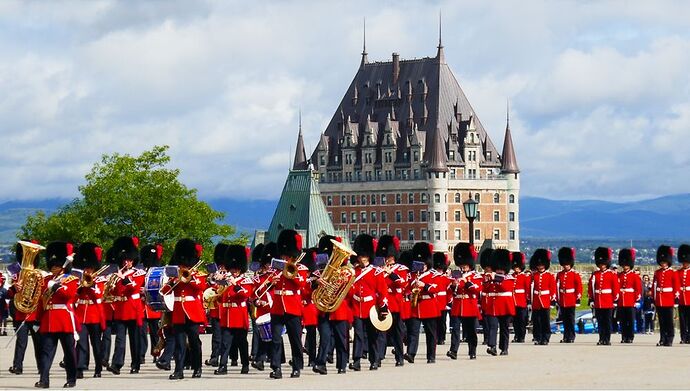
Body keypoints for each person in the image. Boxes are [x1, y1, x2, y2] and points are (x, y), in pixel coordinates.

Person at [36, 241, 79, 389]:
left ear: (62, 266)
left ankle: (71, 379)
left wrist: (56, 286)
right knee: (46, 353)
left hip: (65, 319)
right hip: (48, 320)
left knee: (69, 353)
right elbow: (42, 301)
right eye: (52, 266)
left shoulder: (71, 279)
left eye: (56, 265)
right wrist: (37, 320)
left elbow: (69, 295)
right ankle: (44, 380)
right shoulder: (46, 280)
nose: (53, 268)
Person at [163, 238, 207, 380]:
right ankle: (179, 370)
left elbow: (200, 287)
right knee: (179, 343)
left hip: (192, 312)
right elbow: (164, 291)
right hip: (178, 313)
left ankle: (197, 368)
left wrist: (190, 278)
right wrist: (171, 282)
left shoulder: (198, 274)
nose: (182, 266)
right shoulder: (174, 275)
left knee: (194, 341)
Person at [269, 229, 309, 379]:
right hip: (278, 307)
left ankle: (297, 366)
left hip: (293, 307)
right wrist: (273, 281)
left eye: (287, 255)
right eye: (283, 255)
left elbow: (301, 283)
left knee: (295, 339)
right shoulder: (276, 269)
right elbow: (272, 284)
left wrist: (291, 273)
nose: (284, 257)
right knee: (275, 339)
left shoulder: (301, 268)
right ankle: (276, 368)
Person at [312, 235, 351, 375]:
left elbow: (349, 291)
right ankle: (320, 363)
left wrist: (337, 284)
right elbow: (308, 285)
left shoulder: (344, 272)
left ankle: (342, 365)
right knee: (324, 337)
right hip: (324, 310)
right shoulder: (319, 273)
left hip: (338, 309)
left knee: (341, 339)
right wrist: (316, 282)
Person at [349, 234, 389, 370]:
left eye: (364, 256)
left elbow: (382, 291)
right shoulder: (354, 272)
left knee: (373, 336)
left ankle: (374, 360)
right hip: (357, 307)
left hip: (371, 308)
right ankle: (356, 360)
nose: (362, 258)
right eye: (360, 256)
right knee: (358, 335)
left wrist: (382, 306)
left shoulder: (376, 272)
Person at [107, 236, 144, 375]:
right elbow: (113, 291)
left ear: (133, 260)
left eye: (129, 260)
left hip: (133, 308)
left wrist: (125, 279)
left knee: (134, 340)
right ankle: (117, 364)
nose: (126, 262)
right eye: (124, 260)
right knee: (120, 339)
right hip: (120, 309)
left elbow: (134, 288)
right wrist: (113, 281)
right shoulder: (117, 275)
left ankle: (135, 364)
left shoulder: (138, 273)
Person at [215, 245, 253, 375]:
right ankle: (222, 366)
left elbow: (245, 295)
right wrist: (217, 282)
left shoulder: (245, 280)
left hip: (239, 316)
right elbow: (219, 296)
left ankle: (245, 364)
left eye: (237, 269)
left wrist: (235, 283)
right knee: (225, 343)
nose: (234, 271)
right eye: (232, 269)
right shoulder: (225, 281)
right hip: (227, 316)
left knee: (241, 342)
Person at [8, 241, 43, 376]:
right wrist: (15, 288)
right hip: (21, 312)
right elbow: (10, 294)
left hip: (35, 313)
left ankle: (42, 367)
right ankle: (17, 366)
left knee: (39, 342)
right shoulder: (16, 275)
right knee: (21, 342)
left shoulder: (41, 274)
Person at [74, 242, 105, 379]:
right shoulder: (78, 279)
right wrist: (79, 288)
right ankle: (80, 367)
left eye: (89, 269)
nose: (87, 271)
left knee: (96, 343)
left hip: (94, 314)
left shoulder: (100, 279)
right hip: (81, 313)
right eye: (85, 268)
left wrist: (92, 286)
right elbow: (73, 295)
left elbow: (100, 295)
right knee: (80, 341)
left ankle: (98, 367)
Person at [404, 243, 439, 364]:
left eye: (423, 264)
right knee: (413, 332)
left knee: (430, 333)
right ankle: (411, 353)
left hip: (428, 305)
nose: (422, 266)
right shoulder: (412, 275)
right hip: (415, 306)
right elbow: (406, 287)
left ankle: (431, 356)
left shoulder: (434, 274)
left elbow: (436, 288)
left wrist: (424, 285)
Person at [376, 235, 407, 367]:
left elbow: (402, 284)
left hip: (396, 304)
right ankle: (378, 358)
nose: (387, 258)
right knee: (381, 332)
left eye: (388, 256)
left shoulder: (401, 269)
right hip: (383, 303)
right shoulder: (378, 269)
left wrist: (390, 274)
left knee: (397, 333)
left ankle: (399, 357)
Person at [447, 242, 481, 360]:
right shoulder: (455, 275)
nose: (463, 267)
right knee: (455, 329)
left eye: (465, 265)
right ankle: (453, 350)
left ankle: (472, 351)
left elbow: (476, 290)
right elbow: (450, 291)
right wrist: (453, 285)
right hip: (457, 305)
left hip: (469, 306)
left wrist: (466, 282)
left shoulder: (475, 276)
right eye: (462, 265)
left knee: (471, 331)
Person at [250, 242, 278, 371]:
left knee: (273, 337)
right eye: (266, 264)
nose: (268, 266)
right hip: (262, 310)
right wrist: (256, 302)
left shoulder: (277, 277)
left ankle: (273, 358)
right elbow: (253, 294)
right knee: (264, 336)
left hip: (274, 308)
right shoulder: (259, 278)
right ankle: (261, 359)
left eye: (269, 263)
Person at [483, 249, 515, 356]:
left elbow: (505, 288)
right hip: (493, 306)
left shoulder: (509, 278)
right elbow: (486, 289)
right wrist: (488, 281)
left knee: (504, 328)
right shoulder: (491, 277)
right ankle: (492, 346)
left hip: (505, 306)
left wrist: (496, 279)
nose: (499, 271)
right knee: (492, 326)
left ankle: (504, 348)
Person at [588, 247, 619, 346]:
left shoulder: (612, 274)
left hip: (608, 301)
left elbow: (615, 288)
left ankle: (607, 339)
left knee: (607, 321)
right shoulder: (595, 275)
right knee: (600, 321)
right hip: (598, 301)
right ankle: (601, 338)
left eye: (604, 264)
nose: (602, 266)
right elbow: (591, 287)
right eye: (600, 264)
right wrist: (592, 299)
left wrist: (615, 300)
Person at [204, 243, 229, 368]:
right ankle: (214, 357)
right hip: (215, 308)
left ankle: (226, 358)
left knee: (226, 337)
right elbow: (209, 289)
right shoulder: (215, 272)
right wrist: (210, 280)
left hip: (226, 309)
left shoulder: (229, 274)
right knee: (216, 336)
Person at [139, 244, 163, 365]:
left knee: (155, 333)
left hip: (153, 306)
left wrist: (146, 290)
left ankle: (156, 353)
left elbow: (161, 288)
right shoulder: (140, 272)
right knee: (142, 333)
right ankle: (141, 355)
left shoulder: (158, 272)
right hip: (142, 307)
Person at [653, 245, 679, 347]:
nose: (663, 264)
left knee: (669, 321)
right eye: (662, 262)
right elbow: (654, 286)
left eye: (665, 262)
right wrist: (654, 299)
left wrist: (676, 299)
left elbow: (676, 287)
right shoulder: (657, 273)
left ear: (668, 262)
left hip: (668, 299)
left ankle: (670, 338)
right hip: (659, 300)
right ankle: (662, 338)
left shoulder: (673, 273)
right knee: (662, 322)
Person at [530, 248, 556, 345]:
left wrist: (552, 300)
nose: (540, 266)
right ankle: (537, 337)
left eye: (542, 265)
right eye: (539, 265)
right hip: (536, 301)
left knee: (545, 321)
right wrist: (530, 301)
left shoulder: (549, 276)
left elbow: (553, 289)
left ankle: (546, 337)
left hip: (545, 300)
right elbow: (531, 288)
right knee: (536, 321)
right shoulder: (534, 275)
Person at [556, 247, 582, 343]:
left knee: (571, 320)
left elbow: (579, 287)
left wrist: (577, 298)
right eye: (564, 264)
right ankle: (565, 336)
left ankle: (571, 336)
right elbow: (557, 287)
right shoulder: (559, 274)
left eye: (567, 264)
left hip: (571, 299)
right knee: (565, 320)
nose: (566, 266)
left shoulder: (575, 274)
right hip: (563, 299)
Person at [617, 248, 642, 343]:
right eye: (624, 264)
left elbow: (637, 289)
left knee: (630, 321)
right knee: (623, 321)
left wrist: (636, 300)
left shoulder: (634, 276)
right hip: (621, 301)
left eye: (627, 264)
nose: (625, 266)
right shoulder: (619, 275)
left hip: (630, 301)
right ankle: (624, 336)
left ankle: (630, 336)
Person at [300, 248, 319, 368]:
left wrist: (315, 282)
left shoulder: (314, 279)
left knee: (311, 336)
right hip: (298, 308)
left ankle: (312, 358)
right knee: (296, 336)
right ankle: (298, 359)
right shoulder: (298, 276)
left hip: (309, 308)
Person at [433, 253, 452, 347]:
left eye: (440, 268)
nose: (439, 270)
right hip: (435, 302)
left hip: (443, 302)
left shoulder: (446, 278)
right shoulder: (433, 277)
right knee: (435, 322)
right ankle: (436, 337)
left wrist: (448, 301)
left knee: (442, 322)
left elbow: (448, 290)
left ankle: (442, 338)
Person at [511, 252, 529, 343]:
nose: (516, 268)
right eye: (515, 267)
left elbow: (527, 289)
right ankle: (516, 335)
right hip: (513, 302)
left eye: (518, 267)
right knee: (515, 321)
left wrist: (528, 300)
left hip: (522, 302)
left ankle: (521, 337)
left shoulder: (525, 277)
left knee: (522, 321)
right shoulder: (511, 276)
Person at [677, 244, 690, 344]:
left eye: (687, 262)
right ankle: (683, 337)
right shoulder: (678, 272)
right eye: (684, 262)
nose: (685, 263)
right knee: (682, 320)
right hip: (681, 298)